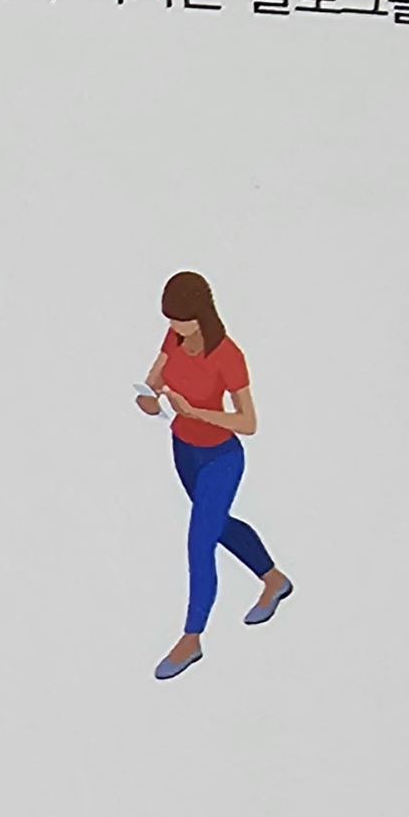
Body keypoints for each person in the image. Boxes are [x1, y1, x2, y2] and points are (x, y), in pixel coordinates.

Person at [137, 271, 292, 680]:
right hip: (183, 450)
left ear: (201, 314)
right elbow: (154, 379)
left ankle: (192, 637)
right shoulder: (173, 338)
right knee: (217, 526)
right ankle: (274, 579)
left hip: (220, 457)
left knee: (199, 541)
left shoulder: (228, 355)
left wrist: (196, 412)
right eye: (169, 321)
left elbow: (248, 422)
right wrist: (149, 398)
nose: (174, 329)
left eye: (181, 321)